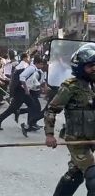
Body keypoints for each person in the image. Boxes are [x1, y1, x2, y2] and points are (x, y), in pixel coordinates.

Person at [44, 43, 95, 196]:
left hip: (92, 139)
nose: (94, 68)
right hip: (77, 141)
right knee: (93, 177)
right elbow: (52, 110)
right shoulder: (70, 87)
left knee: (75, 173)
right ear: (80, 67)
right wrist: (49, 135)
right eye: (90, 65)